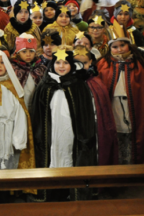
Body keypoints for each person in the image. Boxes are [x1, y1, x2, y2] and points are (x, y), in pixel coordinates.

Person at [30, 49, 97, 201]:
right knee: (53, 158)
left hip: (72, 134)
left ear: (71, 65)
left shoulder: (78, 85)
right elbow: (37, 114)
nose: (61, 66)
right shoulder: (45, 85)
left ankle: (72, 193)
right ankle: (52, 194)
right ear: (52, 64)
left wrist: (85, 137)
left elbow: (86, 115)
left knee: (70, 158)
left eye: (66, 63)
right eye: (58, 62)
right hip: (51, 134)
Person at [96, 21, 144, 164]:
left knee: (132, 133)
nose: (120, 49)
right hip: (113, 106)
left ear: (129, 45)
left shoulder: (139, 64)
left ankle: (132, 164)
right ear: (110, 48)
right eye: (115, 47)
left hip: (132, 106)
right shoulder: (103, 64)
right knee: (116, 132)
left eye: (122, 45)